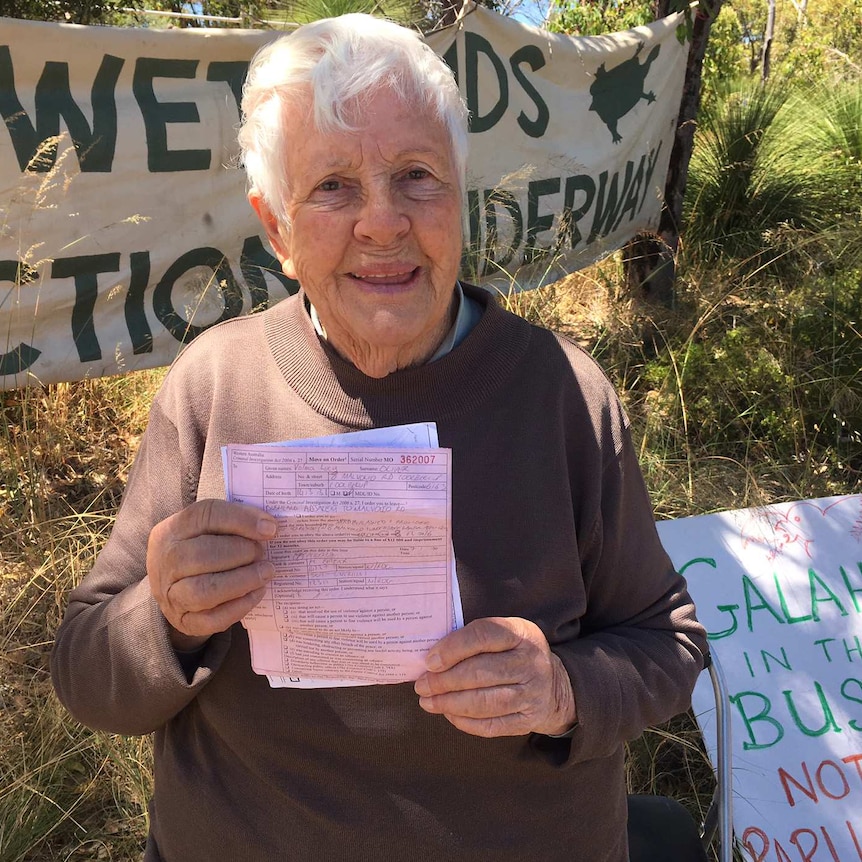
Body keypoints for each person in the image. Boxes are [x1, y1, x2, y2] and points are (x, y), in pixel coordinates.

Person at [51, 14, 707, 862]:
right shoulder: (215, 386)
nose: (383, 222)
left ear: (460, 196)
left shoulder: (563, 396)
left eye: (416, 176)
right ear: (277, 228)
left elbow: (669, 641)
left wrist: (564, 688)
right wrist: (164, 617)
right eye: (333, 187)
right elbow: (87, 674)